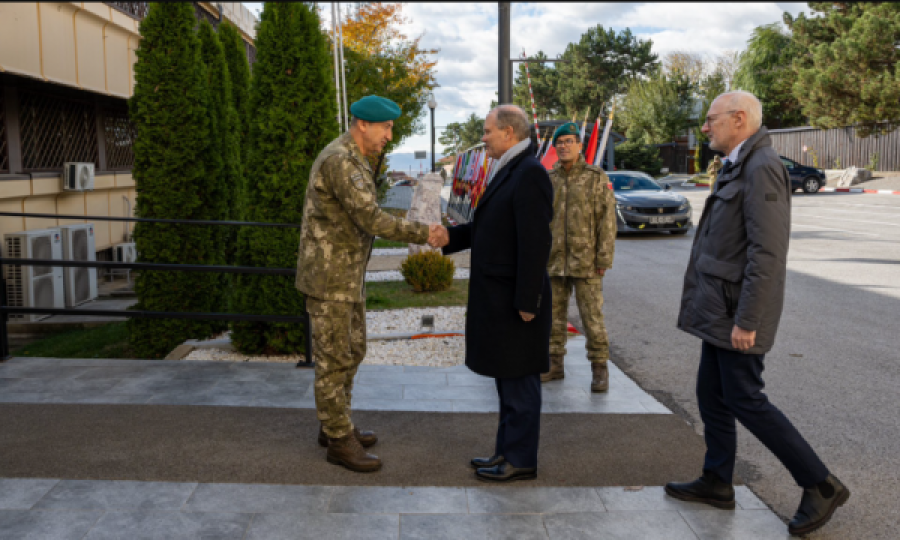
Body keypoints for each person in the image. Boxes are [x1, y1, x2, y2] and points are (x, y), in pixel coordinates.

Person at [665, 91, 849, 537]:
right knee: (711, 393)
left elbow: (767, 254)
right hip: (720, 308)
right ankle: (717, 479)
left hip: (736, 313)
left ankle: (819, 484)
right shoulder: (737, 163)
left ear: (739, 119)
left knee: (745, 397)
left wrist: (747, 320)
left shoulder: (762, 167)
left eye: (712, 120)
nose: (706, 127)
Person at [295, 95, 445, 473]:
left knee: (353, 349)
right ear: (362, 123)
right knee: (333, 358)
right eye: (385, 127)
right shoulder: (340, 161)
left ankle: (335, 424)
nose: (389, 135)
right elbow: (371, 218)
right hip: (330, 278)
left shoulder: (354, 159)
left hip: (345, 275)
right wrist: (423, 232)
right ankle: (338, 439)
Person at [430, 105, 553, 483]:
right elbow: (490, 228)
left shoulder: (530, 174)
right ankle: (505, 452)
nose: (482, 138)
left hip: (516, 301)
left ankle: (521, 460)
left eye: (487, 131)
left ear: (509, 133)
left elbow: (535, 243)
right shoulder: (511, 169)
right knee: (507, 378)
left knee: (520, 382)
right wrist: (452, 236)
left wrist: (528, 302)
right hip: (501, 298)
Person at [542, 122, 616, 392]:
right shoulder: (549, 179)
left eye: (569, 141)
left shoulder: (596, 177)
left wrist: (603, 259)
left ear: (579, 145)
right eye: (559, 143)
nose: (563, 146)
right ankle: (554, 365)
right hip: (554, 260)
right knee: (552, 318)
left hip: (586, 263)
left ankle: (599, 369)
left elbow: (607, 221)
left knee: (592, 318)